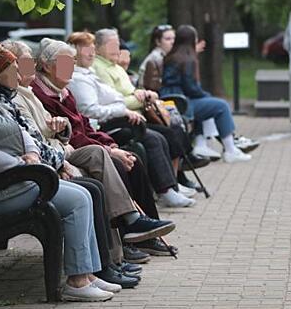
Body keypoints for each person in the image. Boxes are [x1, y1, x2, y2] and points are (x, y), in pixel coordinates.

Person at [0, 38, 121, 301]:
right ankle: (77, 281)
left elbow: (21, 132)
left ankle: (88, 274)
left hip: (15, 181)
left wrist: (31, 155)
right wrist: (24, 164)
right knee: (77, 200)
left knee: (84, 195)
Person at [0, 42, 174, 282]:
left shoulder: (34, 92)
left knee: (118, 157)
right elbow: (35, 139)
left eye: (27, 62)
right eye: (21, 64)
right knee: (100, 174)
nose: (27, 68)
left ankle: (133, 236)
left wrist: (102, 143)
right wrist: (64, 157)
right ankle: (117, 251)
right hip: (50, 160)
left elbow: (69, 127)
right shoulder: (29, 94)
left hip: (60, 150)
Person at [30, 38, 185, 257]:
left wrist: (110, 144)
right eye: (66, 62)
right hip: (67, 151)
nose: (71, 67)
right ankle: (128, 236)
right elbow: (72, 137)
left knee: (133, 160)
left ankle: (148, 234)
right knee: (119, 164)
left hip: (86, 144)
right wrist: (111, 151)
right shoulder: (43, 94)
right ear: (46, 66)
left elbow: (83, 125)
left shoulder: (64, 91)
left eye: (72, 61)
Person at [90, 29, 198, 203]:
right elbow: (115, 102)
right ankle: (166, 189)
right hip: (117, 121)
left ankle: (172, 185)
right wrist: (142, 98)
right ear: (100, 46)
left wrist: (140, 93)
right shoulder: (100, 68)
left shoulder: (115, 67)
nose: (117, 48)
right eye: (112, 44)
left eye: (118, 43)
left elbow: (130, 93)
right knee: (155, 138)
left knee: (168, 132)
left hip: (135, 117)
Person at [161, 25, 259, 163]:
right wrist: (206, 95)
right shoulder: (187, 60)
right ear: (191, 41)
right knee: (221, 106)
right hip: (183, 103)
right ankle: (230, 150)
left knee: (208, 105)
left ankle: (201, 144)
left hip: (173, 100)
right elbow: (192, 89)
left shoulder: (171, 57)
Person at [139, 24, 176, 92]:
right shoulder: (156, 59)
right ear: (158, 42)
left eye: (174, 38)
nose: (172, 42)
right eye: (168, 39)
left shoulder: (165, 56)